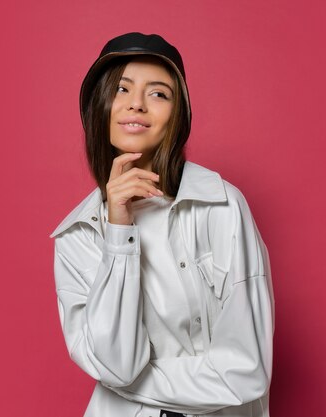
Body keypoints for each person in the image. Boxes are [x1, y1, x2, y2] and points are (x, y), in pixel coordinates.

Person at [49, 32, 275, 417]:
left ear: (178, 117)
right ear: (99, 107)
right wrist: (119, 232)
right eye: (121, 89)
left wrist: (124, 385)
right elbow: (117, 363)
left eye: (158, 93)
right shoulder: (77, 237)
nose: (136, 104)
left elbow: (245, 373)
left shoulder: (221, 206)